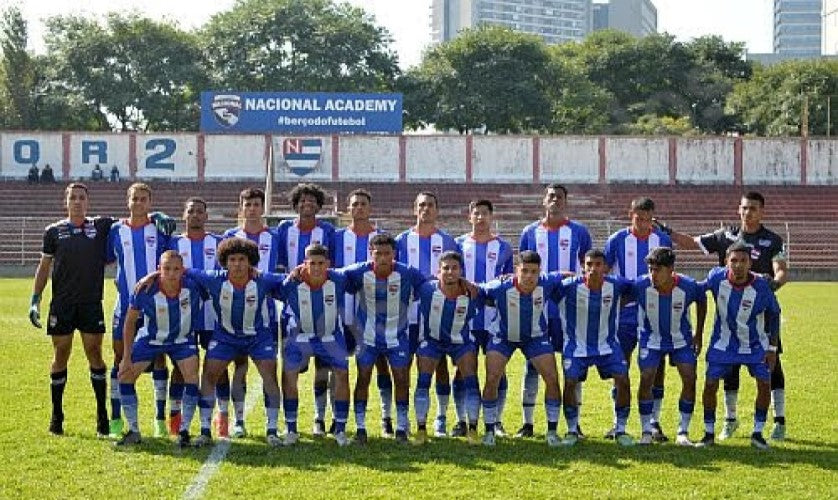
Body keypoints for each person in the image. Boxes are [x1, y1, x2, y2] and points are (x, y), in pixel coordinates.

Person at [665, 191, 789, 440]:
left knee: (771, 366)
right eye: (744, 208)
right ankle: (730, 419)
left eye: (753, 208)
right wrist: (668, 232)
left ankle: (779, 420)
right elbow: (694, 243)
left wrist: (772, 283)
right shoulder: (726, 235)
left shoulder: (772, 240)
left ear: (762, 211)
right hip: (730, 315)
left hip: (760, 314)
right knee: (728, 367)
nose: (748, 212)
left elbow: (781, 270)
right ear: (738, 210)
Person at [185, 238, 286, 447]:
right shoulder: (214, 279)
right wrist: (153, 275)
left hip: (258, 337)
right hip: (225, 337)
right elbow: (183, 270)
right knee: (209, 376)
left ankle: (272, 430)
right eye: (232, 259)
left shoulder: (263, 280)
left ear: (251, 262)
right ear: (225, 261)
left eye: (242, 259)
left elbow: (291, 278)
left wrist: (303, 269)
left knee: (270, 377)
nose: (238, 264)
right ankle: (205, 430)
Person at [29, 183, 111, 437]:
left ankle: (102, 416)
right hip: (62, 304)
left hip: (90, 303)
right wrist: (35, 298)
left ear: (88, 202)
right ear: (66, 202)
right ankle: (57, 415)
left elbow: (133, 219)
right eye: (72, 198)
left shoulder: (100, 226)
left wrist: (156, 216)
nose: (77, 201)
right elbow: (44, 267)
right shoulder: (53, 231)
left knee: (94, 354)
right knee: (61, 353)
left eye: (82, 197)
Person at [517, 183, 591, 438]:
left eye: (559, 197)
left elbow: (587, 267)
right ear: (543, 200)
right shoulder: (529, 232)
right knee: (532, 364)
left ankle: (574, 423)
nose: (555, 200)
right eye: (551, 196)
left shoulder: (579, 231)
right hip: (537, 307)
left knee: (573, 364)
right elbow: (523, 268)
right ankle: (527, 423)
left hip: (569, 308)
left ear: (565, 201)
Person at [339, 233, 427, 444]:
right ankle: (360, 428)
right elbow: (331, 275)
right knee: (363, 379)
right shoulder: (358, 271)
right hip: (367, 338)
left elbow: (430, 286)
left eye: (387, 254)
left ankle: (401, 428)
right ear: (371, 254)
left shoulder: (408, 273)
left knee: (402, 379)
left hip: (397, 338)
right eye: (378, 254)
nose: (383, 258)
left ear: (394, 254)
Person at [115, 251, 203, 447]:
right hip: (151, 339)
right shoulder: (145, 289)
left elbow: (214, 278)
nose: (171, 273)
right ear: (159, 270)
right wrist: (126, 356)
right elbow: (129, 322)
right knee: (125, 375)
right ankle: (134, 431)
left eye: (176, 269)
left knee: (192, 376)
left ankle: (184, 431)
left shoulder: (194, 286)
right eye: (166, 269)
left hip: (182, 340)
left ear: (183, 270)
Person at [697, 241, 781, 449]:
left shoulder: (761, 286)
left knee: (764, 385)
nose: (738, 265)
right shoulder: (716, 277)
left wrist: (772, 348)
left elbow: (775, 314)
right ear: (726, 262)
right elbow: (696, 290)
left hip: (755, 345)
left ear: (750, 263)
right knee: (710, 385)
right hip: (722, 344)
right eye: (734, 260)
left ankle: (758, 433)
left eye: (743, 261)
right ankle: (708, 434)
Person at [603, 197, 672, 441]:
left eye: (647, 219)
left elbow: (669, 273)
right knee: (619, 364)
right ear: (630, 215)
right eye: (638, 219)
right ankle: (617, 422)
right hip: (624, 314)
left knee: (656, 367)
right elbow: (605, 272)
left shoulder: (662, 240)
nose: (643, 224)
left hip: (655, 311)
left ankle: (654, 421)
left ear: (653, 217)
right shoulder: (617, 240)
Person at [478, 251, 563, 447]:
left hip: (535, 337)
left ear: (539, 272)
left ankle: (551, 432)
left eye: (534, 271)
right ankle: (489, 430)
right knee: (492, 378)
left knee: (552, 378)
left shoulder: (547, 283)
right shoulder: (500, 286)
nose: (529, 276)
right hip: (503, 337)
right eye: (524, 271)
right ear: (516, 270)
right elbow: (478, 291)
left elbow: (565, 275)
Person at [106, 183, 171, 438]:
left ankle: (159, 418)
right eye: (135, 198)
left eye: (144, 199)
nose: (139, 202)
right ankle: (115, 419)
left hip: (156, 304)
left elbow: (170, 261)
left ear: (150, 202)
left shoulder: (160, 228)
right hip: (124, 304)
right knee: (120, 357)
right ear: (128, 201)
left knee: (158, 357)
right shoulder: (115, 230)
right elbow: (109, 259)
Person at [395, 191, 458, 437]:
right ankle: (403, 420)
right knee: (403, 367)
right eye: (422, 205)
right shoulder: (401, 240)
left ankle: (440, 418)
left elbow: (455, 275)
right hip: (406, 315)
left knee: (439, 364)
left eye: (431, 205)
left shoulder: (448, 241)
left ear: (437, 210)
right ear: (414, 209)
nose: (426, 209)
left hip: (438, 315)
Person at [558, 249, 636, 447]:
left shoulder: (616, 285)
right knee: (570, 382)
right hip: (576, 346)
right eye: (588, 264)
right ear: (583, 267)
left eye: (597, 265)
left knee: (623, 380)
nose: (593, 269)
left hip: (608, 345)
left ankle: (620, 429)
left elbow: (636, 288)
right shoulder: (569, 287)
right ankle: (572, 429)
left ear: (606, 268)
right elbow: (545, 286)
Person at [276, 183, 336, 437]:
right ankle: (290, 424)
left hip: (323, 307)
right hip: (292, 309)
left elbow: (334, 268)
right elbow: (279, 265)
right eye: (302, 201)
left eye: (312, 201)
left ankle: (319, 418)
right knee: (293, 367)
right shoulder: (283, 229)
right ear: (296, 204)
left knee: (323, 367)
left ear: (319, 205)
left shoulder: (328, 230)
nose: (307, 204)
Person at [222, 187, 281, 438]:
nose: (253, 209)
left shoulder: (274, 237)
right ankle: (238, 419)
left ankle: (272, 425)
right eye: (248, 204)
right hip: (235, 314)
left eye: (257, 204)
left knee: (269, 370)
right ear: (241, 207)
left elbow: (283, 272)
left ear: (262, 207)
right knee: (240, 367)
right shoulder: (229, 235)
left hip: (265, 315)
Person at [279, 244, 351, 447]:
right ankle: (291, 429)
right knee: (289, 375)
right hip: (300, 336)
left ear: (328, 264)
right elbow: (269, 286)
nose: (317, 268)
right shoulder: (290, 283)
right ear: (304, 264)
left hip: (330, 336)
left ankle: (340, 428)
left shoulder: (339, 279)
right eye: (312, 264)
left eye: (321, 263)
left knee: (342, 374)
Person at [633, 247, 706, 446]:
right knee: (647, 378)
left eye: (658, 270)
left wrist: (698, 333)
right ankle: (646, 431)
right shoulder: (640, 285)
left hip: (681, 340)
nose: (653, 274)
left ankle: (683, 432)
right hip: (651, 339)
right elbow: (619, 296)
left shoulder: (688, 286)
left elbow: (702, 299)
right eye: (650, 269)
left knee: (690, 378)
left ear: (671, 269)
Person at [454, 199, 513, 437]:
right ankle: (461, 420)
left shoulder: (504, 248)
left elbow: (507, 280)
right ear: (469, 217)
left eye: (484, 214)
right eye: (476, 214)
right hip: (465, 318)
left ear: (491, 217)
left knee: (497, 371)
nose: (480, 218)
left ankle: (496, 420)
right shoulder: (458, 244)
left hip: (494, 318)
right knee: (462, 370)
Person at [331, 189, 387, 435]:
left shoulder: (382, 239)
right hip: (341, 312)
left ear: (370, 208)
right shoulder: (337, 237)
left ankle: (386, 417)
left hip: (374, 315)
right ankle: (334, 417)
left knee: (381, 365)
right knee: (336, 366)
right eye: (355, 204)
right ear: (348, 209)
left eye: (364, 204)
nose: (359, 208)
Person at [167, 198, 223, 436]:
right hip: (183, 315)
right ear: (184, 215)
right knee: (180, 368)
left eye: (200, 212)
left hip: (213, 314)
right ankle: (174, 419)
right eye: (191, 211)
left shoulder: (218, 243)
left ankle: (223, 419)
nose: (196, 215)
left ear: (206, 216)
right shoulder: (174, 243)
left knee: (218, 367)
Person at [414, 251, 482, 444]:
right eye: (445, 268)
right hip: (432, 341)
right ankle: (421, 429)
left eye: (454, 268)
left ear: (461, 270)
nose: (450, 272)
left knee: (471, 382)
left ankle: (473, 430)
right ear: (438, 271)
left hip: (461, 342)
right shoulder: (426, 289)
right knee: (423, 382)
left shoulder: (473, 292)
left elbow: (498, 291)